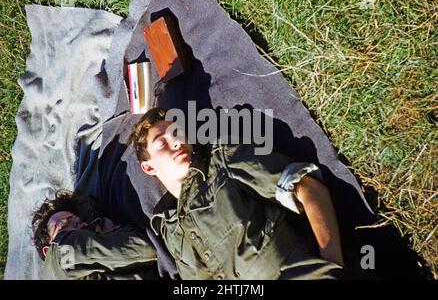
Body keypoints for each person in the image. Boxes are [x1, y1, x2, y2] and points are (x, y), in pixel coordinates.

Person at [129, 108, 366, 280]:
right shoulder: (167, 227)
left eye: (178, 133)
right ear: (149, 167)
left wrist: (333, 265)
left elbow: (309, 189)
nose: (177, 142)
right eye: (162, 142)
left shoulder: (222, 162)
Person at [32, 189, 160, 280]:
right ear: (47, 250)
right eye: (63, 226)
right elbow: (145, 248)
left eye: (79, 222)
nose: (76, 225)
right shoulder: (60, 254)